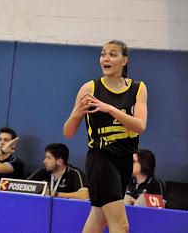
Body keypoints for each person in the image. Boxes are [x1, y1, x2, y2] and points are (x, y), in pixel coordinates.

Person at [63, 40, 148, 233]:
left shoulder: (138, 88)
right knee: (122, 226)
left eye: (112, 54)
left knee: (97, 221)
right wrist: (76, 113)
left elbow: (140, 125)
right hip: (101, 159)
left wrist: (109, 109)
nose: (106, 58)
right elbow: (68, 132)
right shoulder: (90, 88)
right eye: (103, 54)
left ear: (124, 60)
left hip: (125, 160)